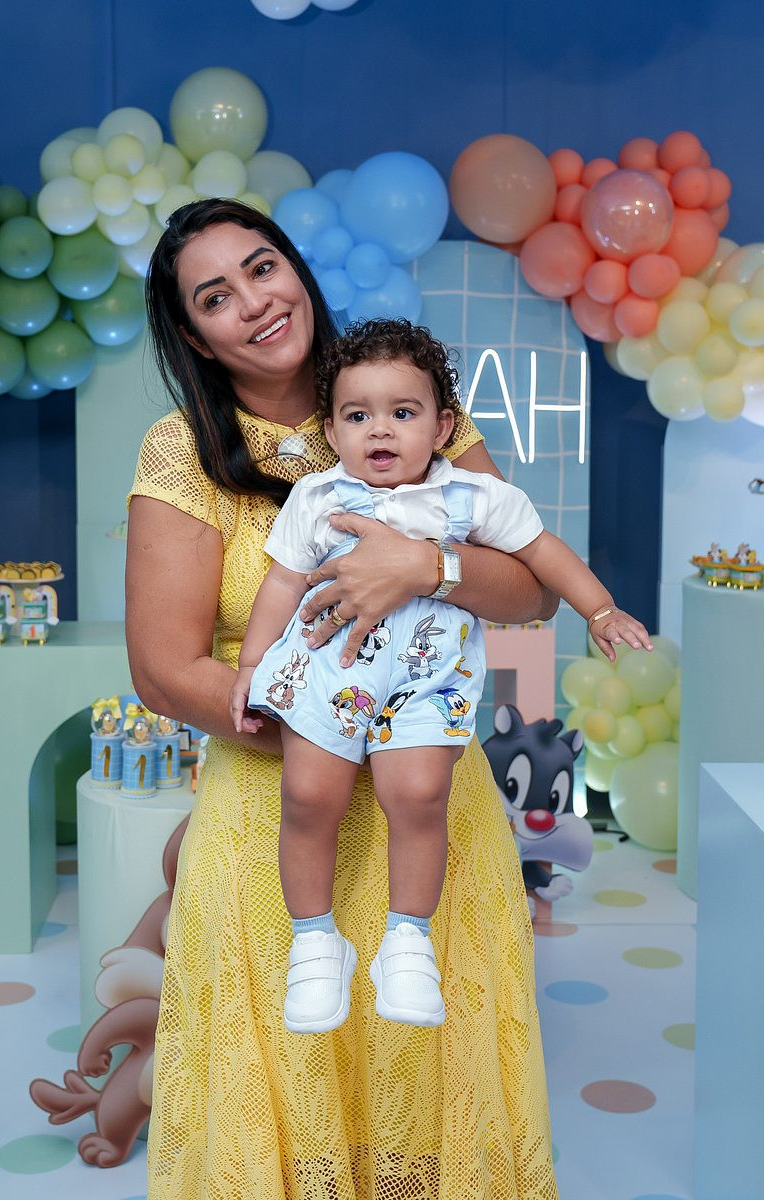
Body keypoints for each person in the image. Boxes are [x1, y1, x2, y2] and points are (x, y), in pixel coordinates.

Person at [127, 197, 561, 1199]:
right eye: (214, 297)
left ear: (297, 269)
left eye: (261, 267)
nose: (254, 302)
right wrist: (329, 727)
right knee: (288, 1079)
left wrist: (428, 565)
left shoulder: (403, 398)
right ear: (195, 335)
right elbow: (163, 667)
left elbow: (529, 591)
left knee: (425, 1072)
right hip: (277, 809)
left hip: (426, 803)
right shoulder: (182, 449)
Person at [228, 317, 650, 1037]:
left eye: (403, 412)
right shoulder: (318, 499)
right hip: (331, 671)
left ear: (441, 426)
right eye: (357, 416)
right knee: (307, 795)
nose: (380, 430)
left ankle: (407, 939)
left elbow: (543, 556)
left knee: (419, 794)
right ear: (330, 431)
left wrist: (600, 609)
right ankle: (315, 942)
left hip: (427, 681)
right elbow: (282, 583)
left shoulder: (474, 498)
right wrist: (250, 664)